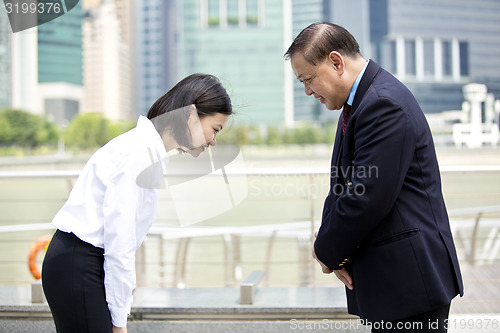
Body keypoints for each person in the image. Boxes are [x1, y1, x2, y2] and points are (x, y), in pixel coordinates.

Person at [285, 23, 463, 332]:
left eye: (308, 79)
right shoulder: (363, 102)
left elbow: (366, 197)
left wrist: (326, 250)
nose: (307, 92)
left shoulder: (383, 104)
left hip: (410, 283)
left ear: (336, 62)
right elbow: (343, 183)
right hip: (397, 282)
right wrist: (333, 247)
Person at [41, 73, 232, 333]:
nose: (213, 140)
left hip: (80, 263)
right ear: (191, 114)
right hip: (80, 265)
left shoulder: (147, 152)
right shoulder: (138, 155)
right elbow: (120, 244)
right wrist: (119, 322)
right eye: (215, 129)